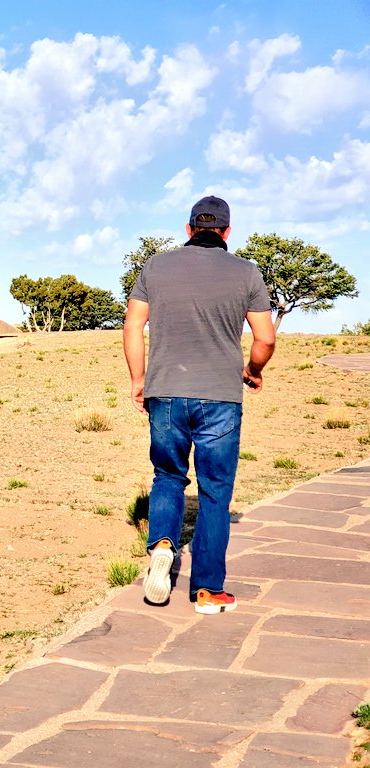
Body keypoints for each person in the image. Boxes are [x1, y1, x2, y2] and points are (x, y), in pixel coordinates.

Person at [122, 195, 276, 614]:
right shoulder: (247, 273)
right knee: (214, 492)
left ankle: (164, 546)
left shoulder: (156, 266)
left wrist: (140, 381)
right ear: (226, 232)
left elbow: (134, 325)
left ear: (189, 229)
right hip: (221, 397)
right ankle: (208, 591)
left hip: (166, 391)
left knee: (168, 475)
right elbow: (265, 338)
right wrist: (254, 370)